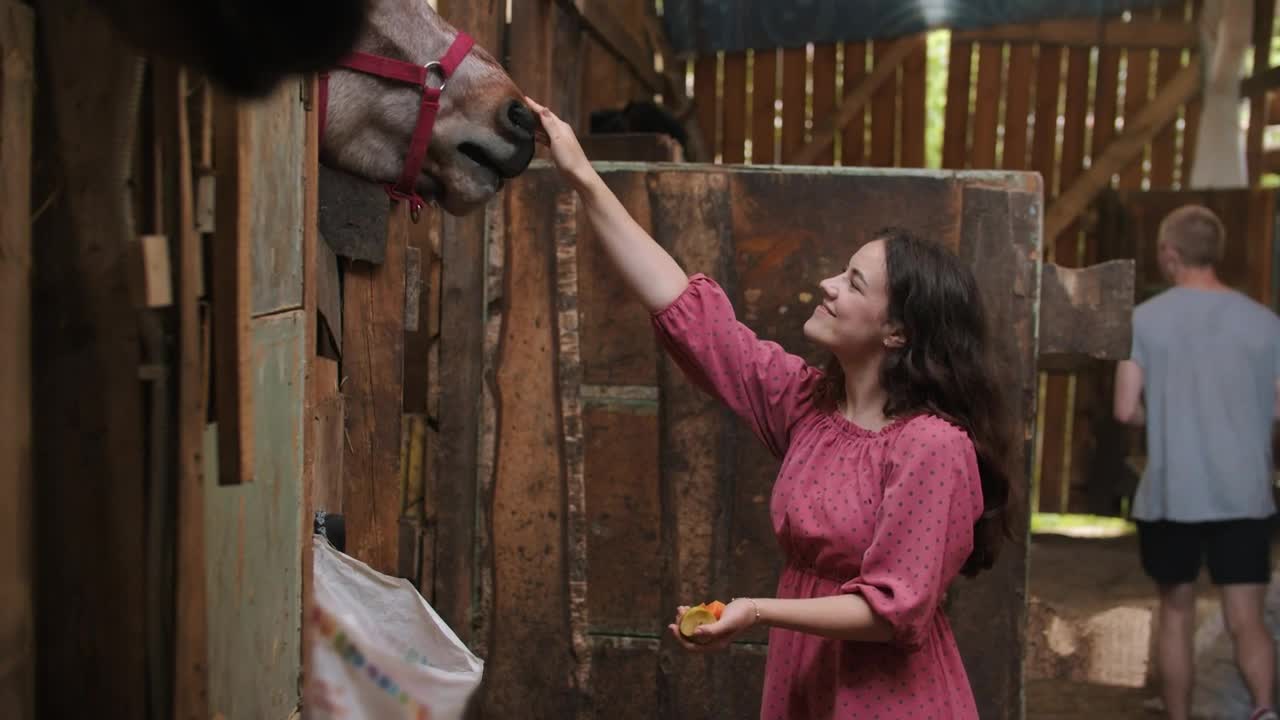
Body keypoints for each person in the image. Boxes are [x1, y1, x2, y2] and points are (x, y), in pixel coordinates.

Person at [526, 97, 1017, 719]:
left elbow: (893, 610)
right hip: (806, 683)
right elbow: (690, 315)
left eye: (854, 283)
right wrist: (584, 177)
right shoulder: (810, 406)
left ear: (897, 332)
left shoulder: (932, 446)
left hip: (890, 702)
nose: (828, 286)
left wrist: (755, 611)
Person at [1113, 204, 1280, 720]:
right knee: (1247, 617)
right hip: (1245, 493)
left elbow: (1124, 409)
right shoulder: (1265, 323)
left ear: (1169, 253)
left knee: (1176, 611)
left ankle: (1179, 716)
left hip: (1173, 493)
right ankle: (1264, 707)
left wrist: (1161, 414)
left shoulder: (1142, 320)